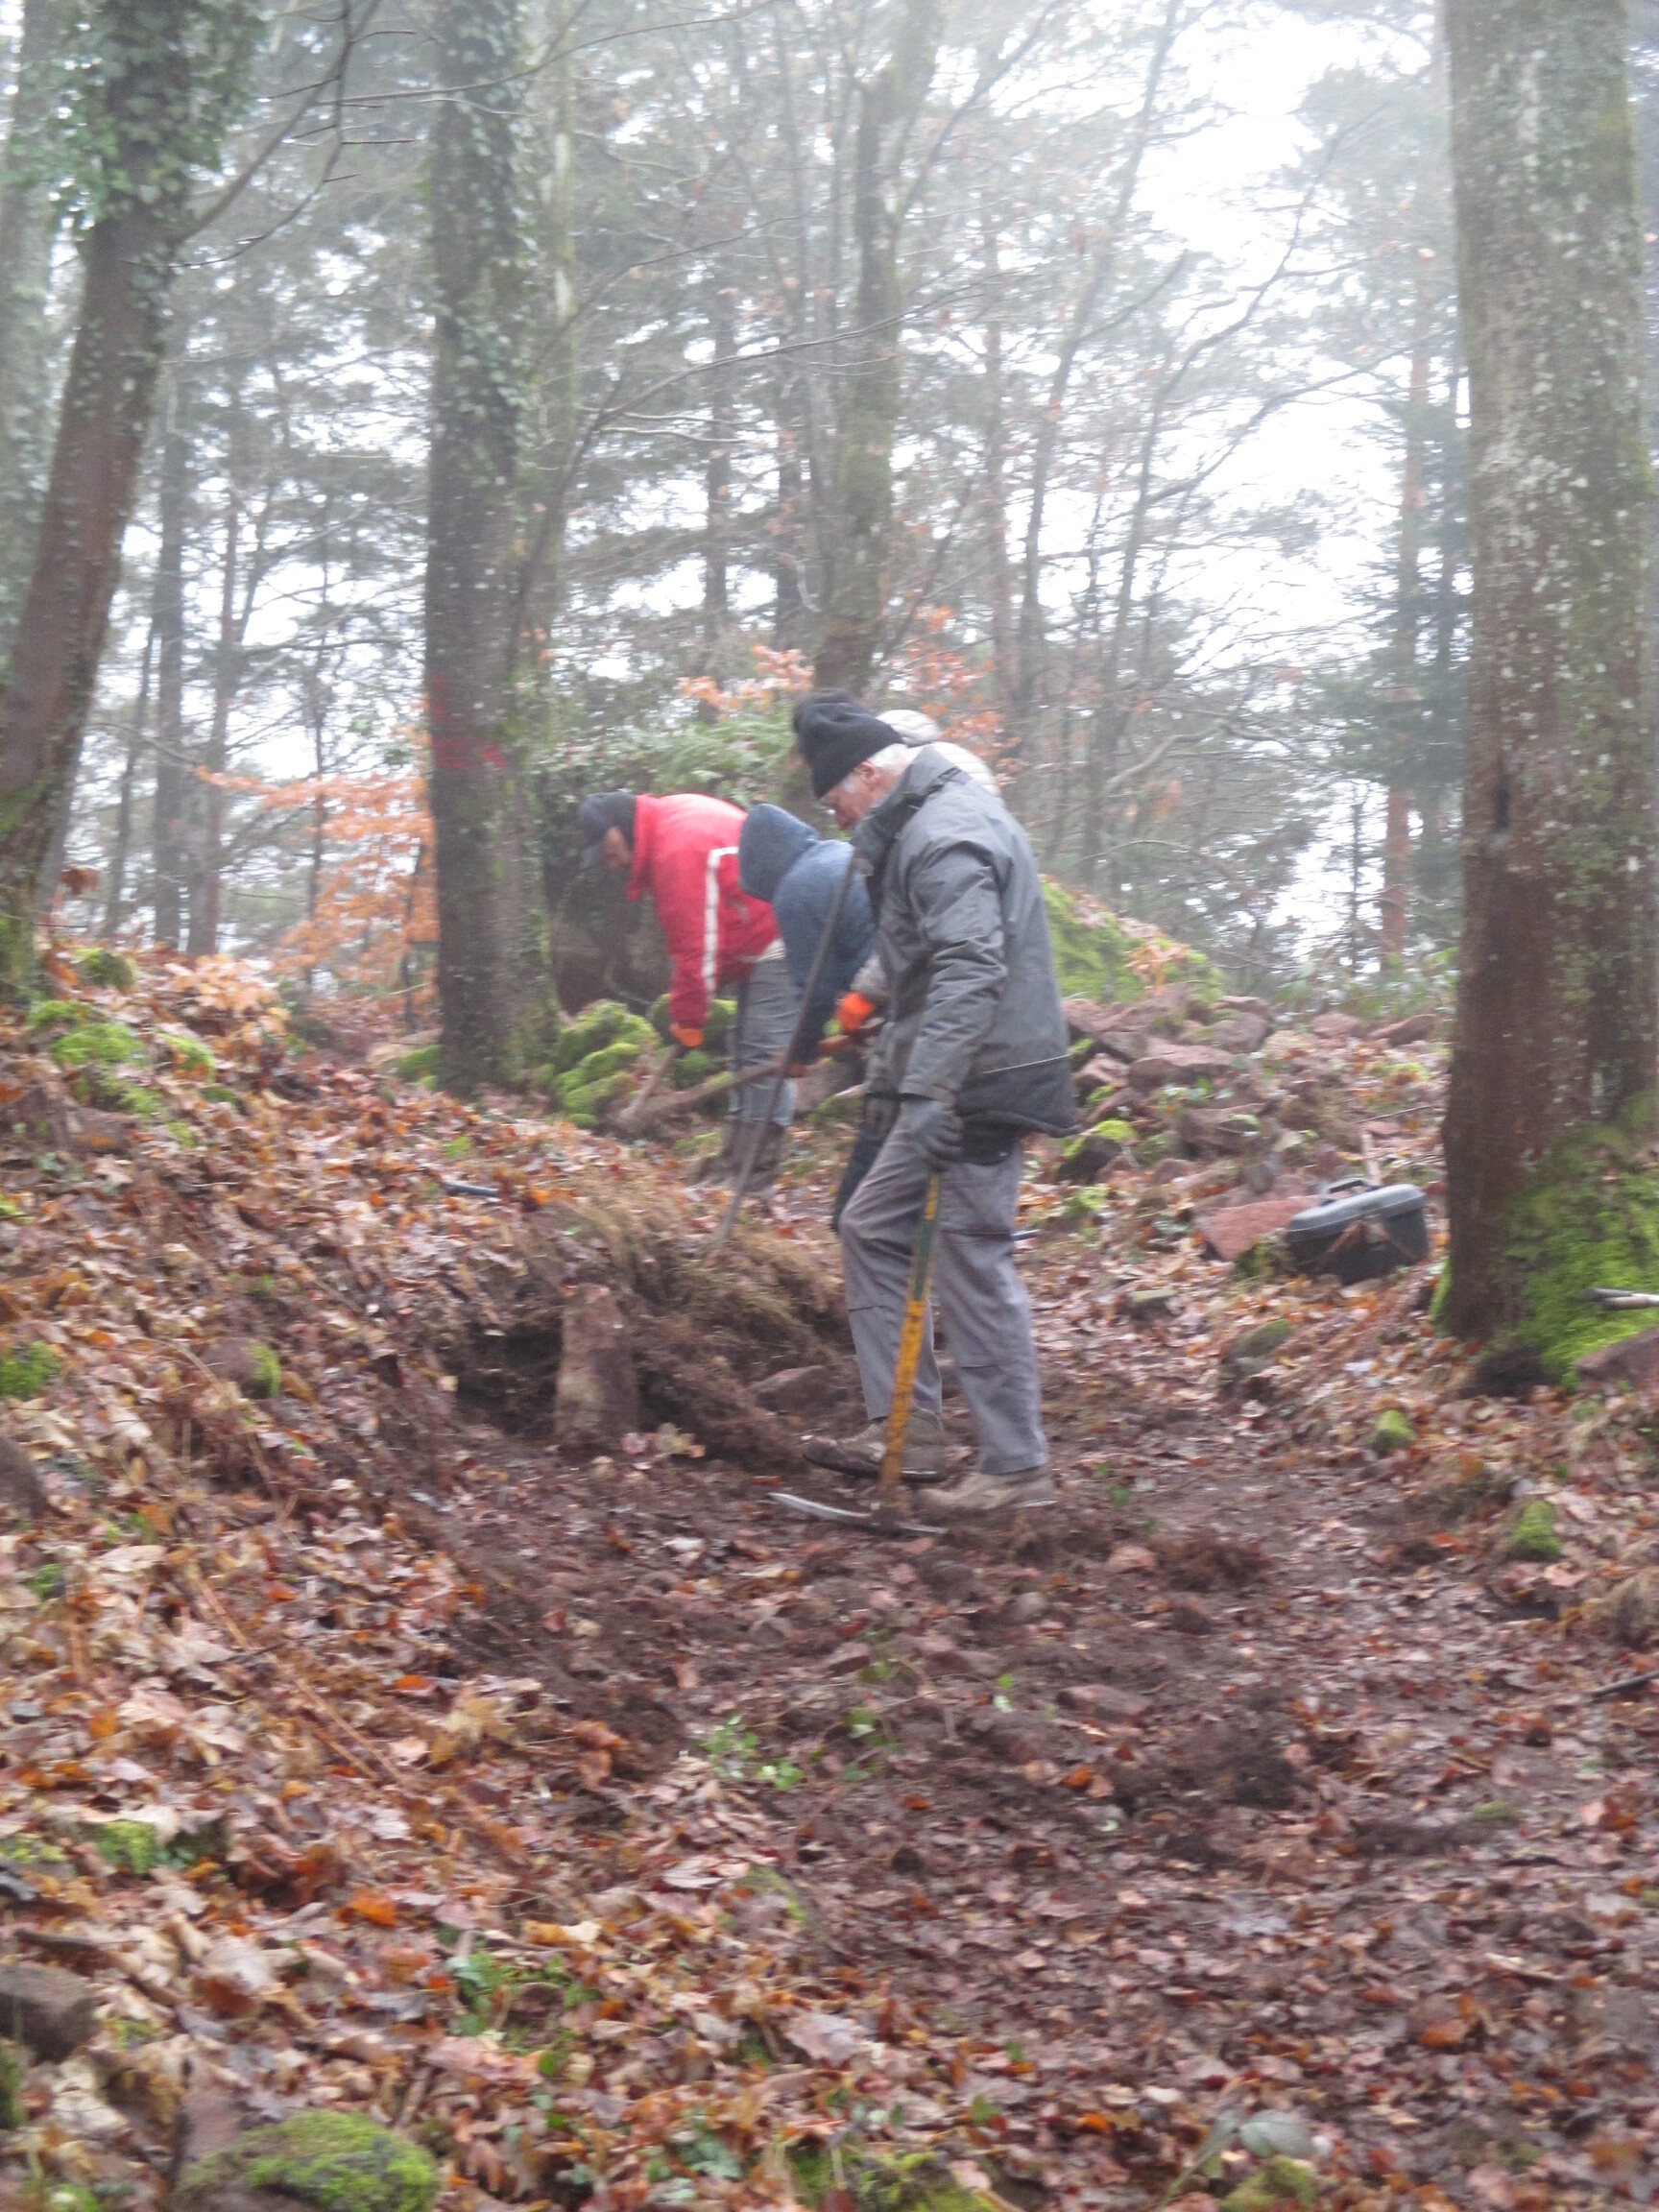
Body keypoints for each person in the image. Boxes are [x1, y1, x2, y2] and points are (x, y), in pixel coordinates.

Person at [788, 691, 1075, 1516]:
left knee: (970, 1253)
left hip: (987, 1074)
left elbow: (971, 967)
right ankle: (905, 1432)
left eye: (837, 801)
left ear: (870, 774)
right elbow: (922, 953)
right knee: (870, 1225)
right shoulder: (921, 822)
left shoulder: (945, 834)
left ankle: (1016, 1467)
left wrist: (930, 1089)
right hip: (962, 1067)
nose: (839, 820)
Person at [578, 789, 797, 1185]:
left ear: (618, 830)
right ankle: (734, 1166)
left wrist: (690, 1017)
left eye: (607, 851)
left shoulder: (675, 850)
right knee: (743, 1051)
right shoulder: (667, 826)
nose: (610, 864)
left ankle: (755, 1177)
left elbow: (695, 947)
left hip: (782, 932)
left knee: (762, 1053)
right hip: (760, 936)